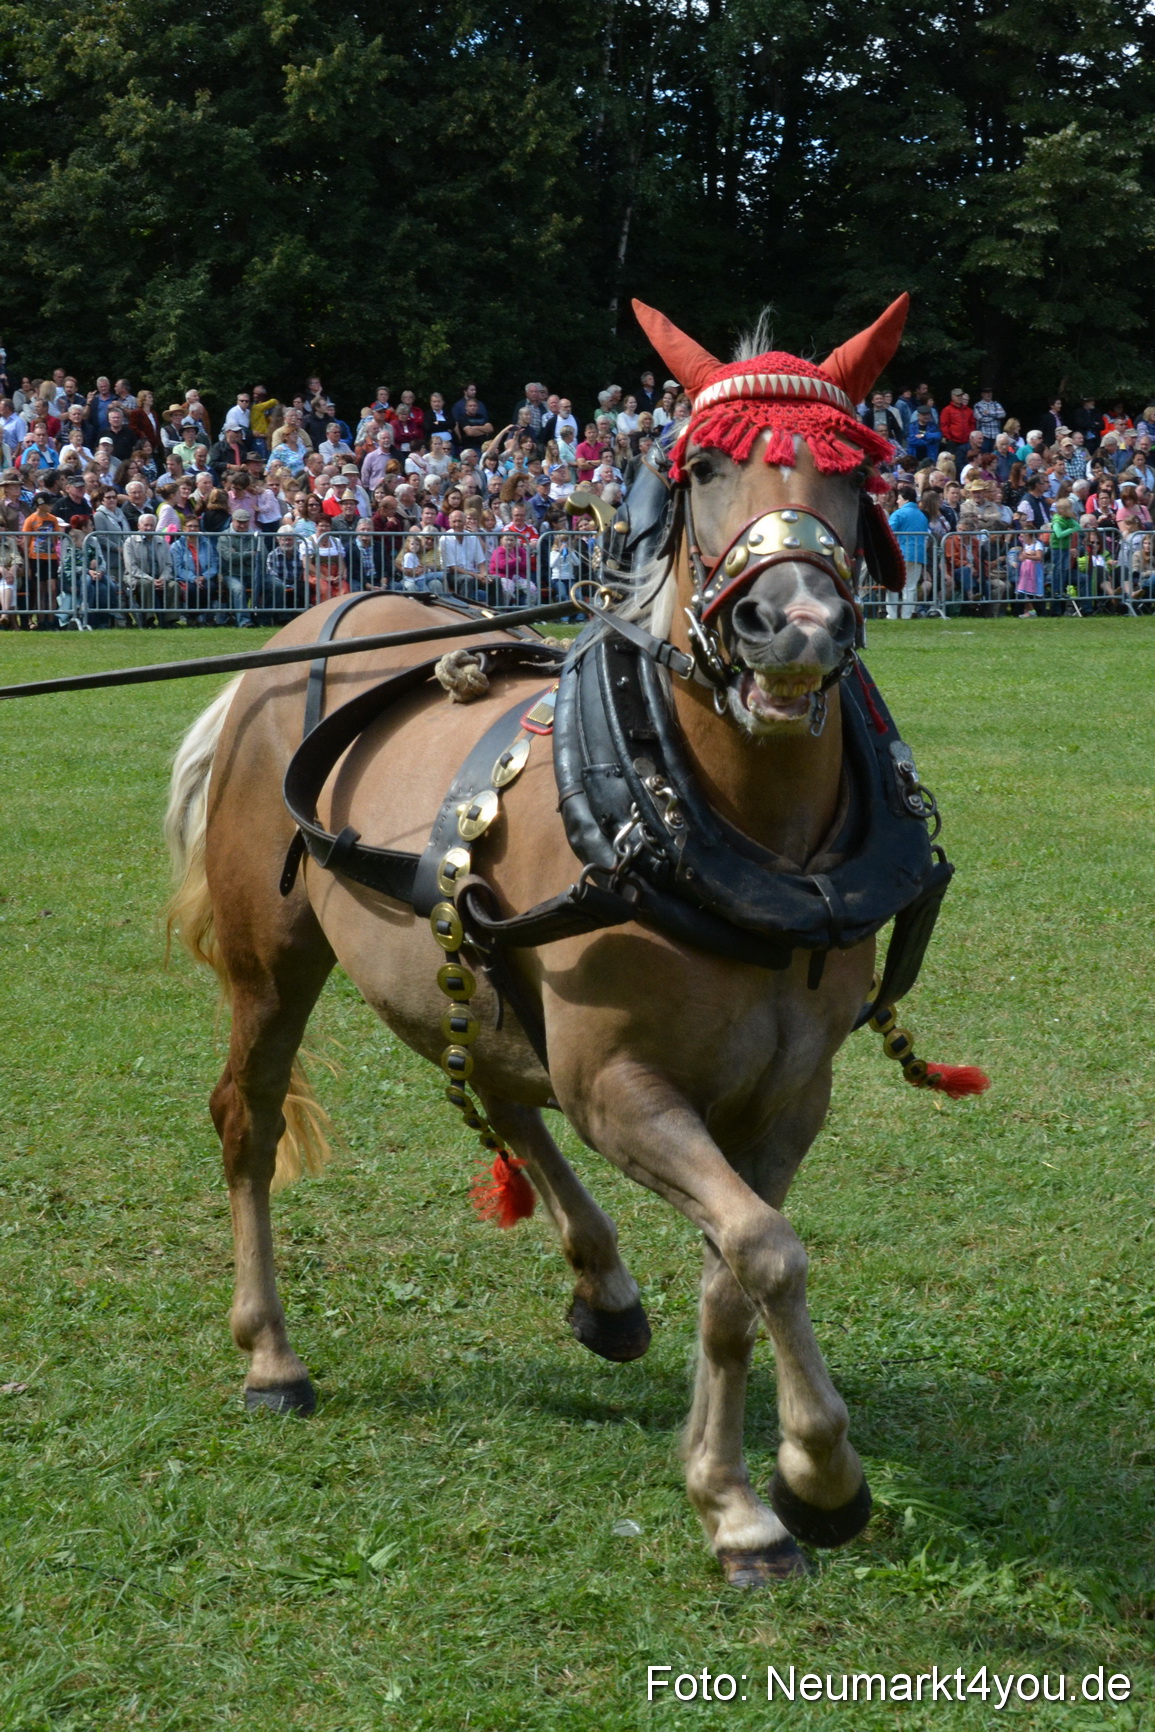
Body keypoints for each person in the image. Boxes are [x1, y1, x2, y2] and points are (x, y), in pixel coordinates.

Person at [887, 486, 929, 618]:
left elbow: (888, 532)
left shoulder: (898, 514)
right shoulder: (922, 515)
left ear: (905, 499)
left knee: (893, 585)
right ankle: (906, 615)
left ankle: (892, 615)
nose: (897, 501)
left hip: (899, 554)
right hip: (918, 554)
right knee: (910, 586)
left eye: (899, 498)